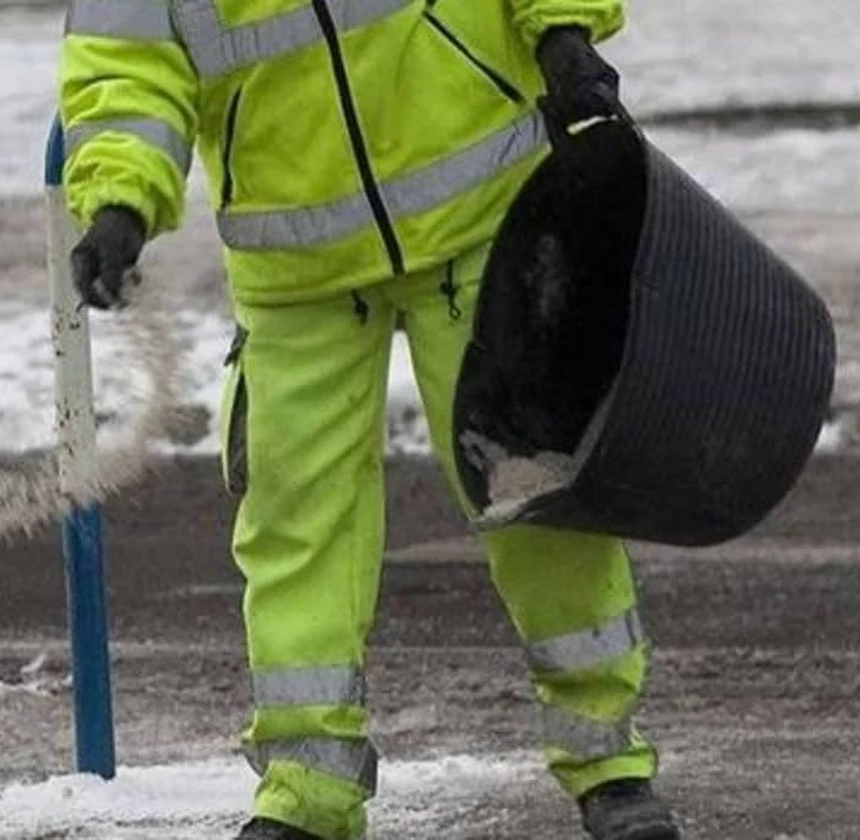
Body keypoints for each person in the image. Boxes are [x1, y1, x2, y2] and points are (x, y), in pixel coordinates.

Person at [60, 1, 680, 838]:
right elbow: (125, 64)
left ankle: (609, 763)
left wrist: (562, 30)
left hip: (478, 212)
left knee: (534, 492)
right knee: (296, 527)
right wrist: (120, 200)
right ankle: (308, 790)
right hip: (295, 267)